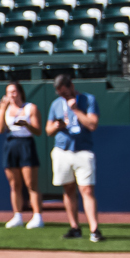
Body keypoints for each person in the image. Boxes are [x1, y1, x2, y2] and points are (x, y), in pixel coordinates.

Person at [47, 73, 102, 243]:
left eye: (65, 92)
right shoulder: (56, 104)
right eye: (60, 94)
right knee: (68, 189)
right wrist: (57, 126)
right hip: (62, 150)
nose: (63, 96)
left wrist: (76, 110)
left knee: (87, 190)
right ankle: (74, 227)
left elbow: (92, 124)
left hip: (83, 151)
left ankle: (94, 229)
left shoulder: (88, 100)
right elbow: (48, 130)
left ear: (71, 86)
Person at [0, 81, 45, 230]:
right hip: (11, 145)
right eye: (8, 92)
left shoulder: (31, 108)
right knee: (14, 184)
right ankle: (17, 215)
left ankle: (37, 216)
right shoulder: (4, 109)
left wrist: (26, 125)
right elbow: (0, 129)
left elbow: (38, 131)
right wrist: (2, 109)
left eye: (14, 92)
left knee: (31, 184)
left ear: (20, 92)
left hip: (26, 144)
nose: (11, 95)